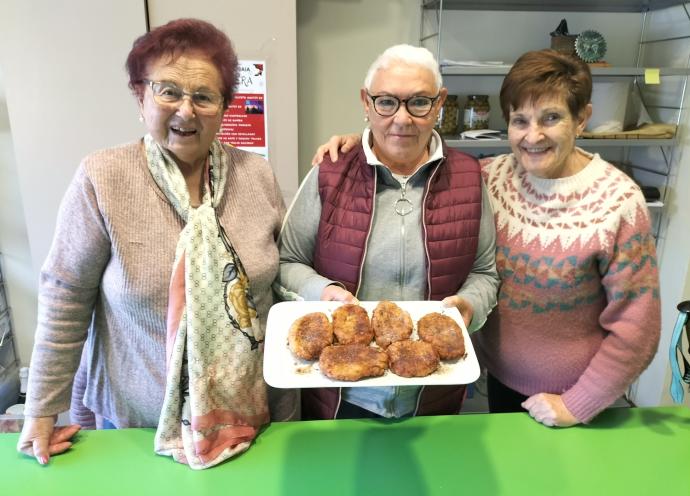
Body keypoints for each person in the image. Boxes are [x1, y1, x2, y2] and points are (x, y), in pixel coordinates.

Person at [315, 49, 661, 427]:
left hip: (577, 394)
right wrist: (368, 143)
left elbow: (638, 330)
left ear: (582, 119)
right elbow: (417, 157)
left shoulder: (619, 203)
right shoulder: (490, 177)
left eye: (552, 118)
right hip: (497, 380)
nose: (534, 136)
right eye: (520, 120)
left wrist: (576, 405)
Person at [17, 18, 296, 468]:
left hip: (251, 416)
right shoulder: (103, 177)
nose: (186, 111)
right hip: (138, 427)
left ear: (224, 107)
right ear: (140, 95)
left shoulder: (256, 175)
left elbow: (279, 285)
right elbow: (65, 296)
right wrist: (41, 409)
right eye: (168, 91)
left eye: (204, 96)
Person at [278, 44, 500, 420]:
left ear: (439, 103)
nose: (402, 119)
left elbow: (485, 273)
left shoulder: (468, 178)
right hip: (340, 400)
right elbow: (287, 261)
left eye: (419, 102)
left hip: (433, 394)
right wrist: (324, 293)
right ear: (366, 103)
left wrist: (471, 306)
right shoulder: (330, 173)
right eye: (386, 102)